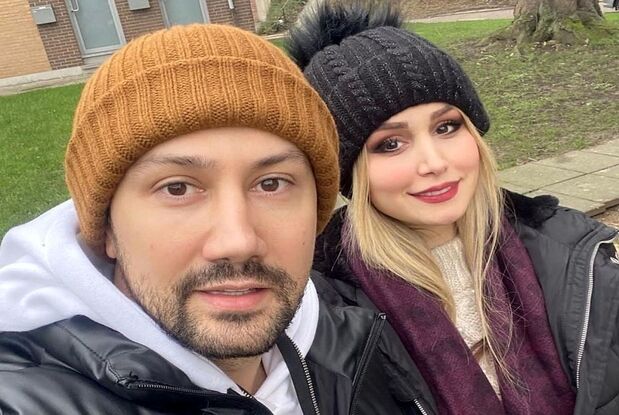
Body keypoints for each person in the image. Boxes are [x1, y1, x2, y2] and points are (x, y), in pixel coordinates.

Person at [0, 23, 423, 415]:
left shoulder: (356, 330)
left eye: (272, 184)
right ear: (106, 228)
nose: (237, 241)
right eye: (177, 188)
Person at [287, 2, 619, 415]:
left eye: (446, 127)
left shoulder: (571, 254)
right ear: (350, 171)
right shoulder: (321, 318)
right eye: (390, 144)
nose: (434, 163)